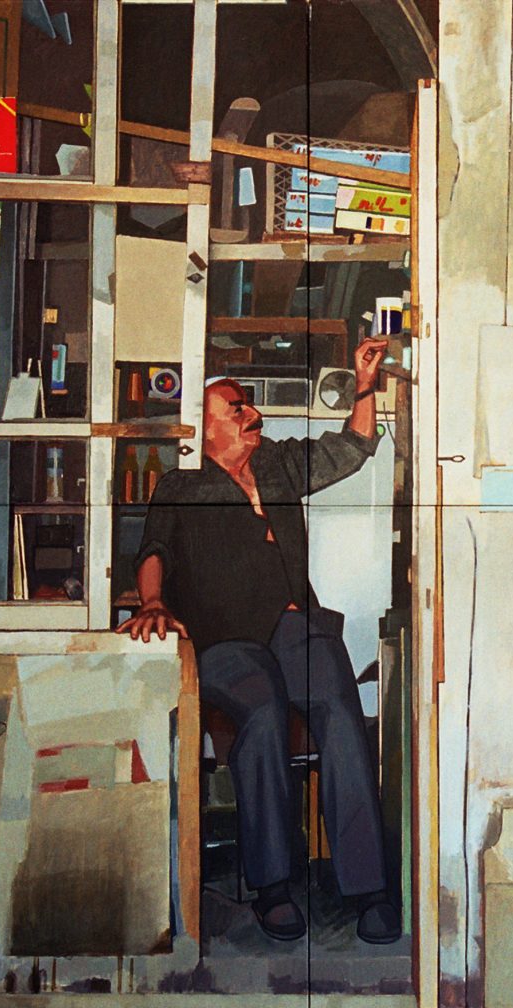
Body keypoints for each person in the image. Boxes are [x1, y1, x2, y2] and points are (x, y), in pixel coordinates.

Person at [117, 338, 398, 945]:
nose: (254, 414)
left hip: (294, 627)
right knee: (263, 712)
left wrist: (365, 385)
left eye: (248, 405)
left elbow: (351, 449)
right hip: (225, 640)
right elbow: (153, 550)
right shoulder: (181, 487)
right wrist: (153, 602)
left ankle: (369, 889)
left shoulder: (274, 464)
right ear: (204, 429)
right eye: (237, 408)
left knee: (341, 708)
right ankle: (273, 886)